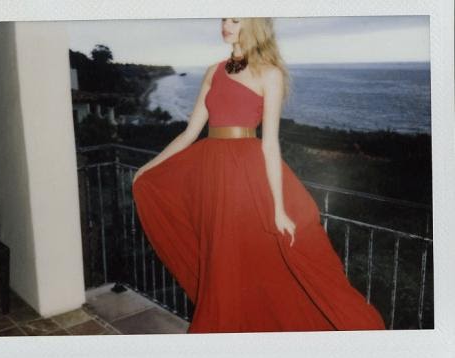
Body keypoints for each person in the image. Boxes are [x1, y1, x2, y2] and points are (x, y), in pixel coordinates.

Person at [132, 17, 386, 333]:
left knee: (258, 258)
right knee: (221, 259)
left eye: (235, 20)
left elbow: (269, 143)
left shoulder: (270, 73)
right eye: (224, 18)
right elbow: (189, 133)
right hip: (213, 175)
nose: (225, 25)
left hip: (246, 176)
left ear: (253, 24)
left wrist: (278, 208)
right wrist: (149, 167)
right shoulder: (213, 71)